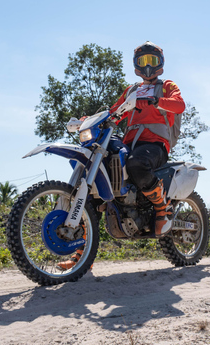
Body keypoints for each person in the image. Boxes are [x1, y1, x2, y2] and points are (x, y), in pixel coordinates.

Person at [58, 42, 184, 270]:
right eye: (142, 61)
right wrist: (90, 118)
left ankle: (162, 208)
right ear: (136, 65)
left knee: (137, 164)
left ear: (160, 63)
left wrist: (156, 101)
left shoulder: (166, 86)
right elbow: (114, 113)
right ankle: (81, 257)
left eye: (152, 60)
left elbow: (179, 105)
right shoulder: (131, 90)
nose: (147, 66)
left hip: (155, 144)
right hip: (131, 143)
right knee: (93, 190)